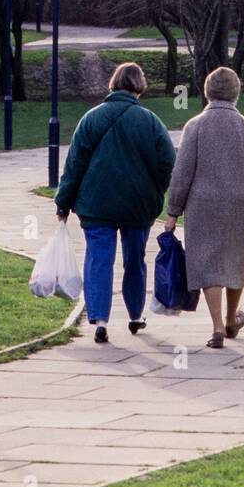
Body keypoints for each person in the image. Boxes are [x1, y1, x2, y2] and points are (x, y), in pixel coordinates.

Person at [55, 61, 176, 343]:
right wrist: (155, 191)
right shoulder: (151, 121)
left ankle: (100, 319)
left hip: (97, 206)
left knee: (99, 259)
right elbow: (168, 162)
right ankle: (135, 315)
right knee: (135, 260)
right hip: (138, 206)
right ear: (139, 86)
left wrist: (63, 203)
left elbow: (75, 164)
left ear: (113, 83)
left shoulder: (91, 119)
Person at [165, 65, 244, 348]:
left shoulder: (195, 126)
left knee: (207, 263)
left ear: (207, 91)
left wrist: (173, 211)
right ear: (237, 93)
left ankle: (216, 327)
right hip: (242, 204)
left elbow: (182, 172)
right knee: (234, 263)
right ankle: (230, 320)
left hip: (203, 205)